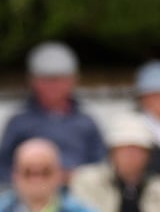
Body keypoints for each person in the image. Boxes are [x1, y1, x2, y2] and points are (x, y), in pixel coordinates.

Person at [0, 42, 106, 183]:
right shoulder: (19, 122)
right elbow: (4, 168)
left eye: (59, 80)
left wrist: (77, 177)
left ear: (73, 81)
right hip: (33, 189)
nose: (53, 86)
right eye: (46, 80)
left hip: (79, 188)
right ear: (33, 82)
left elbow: (101, 165)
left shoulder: (86, 122)